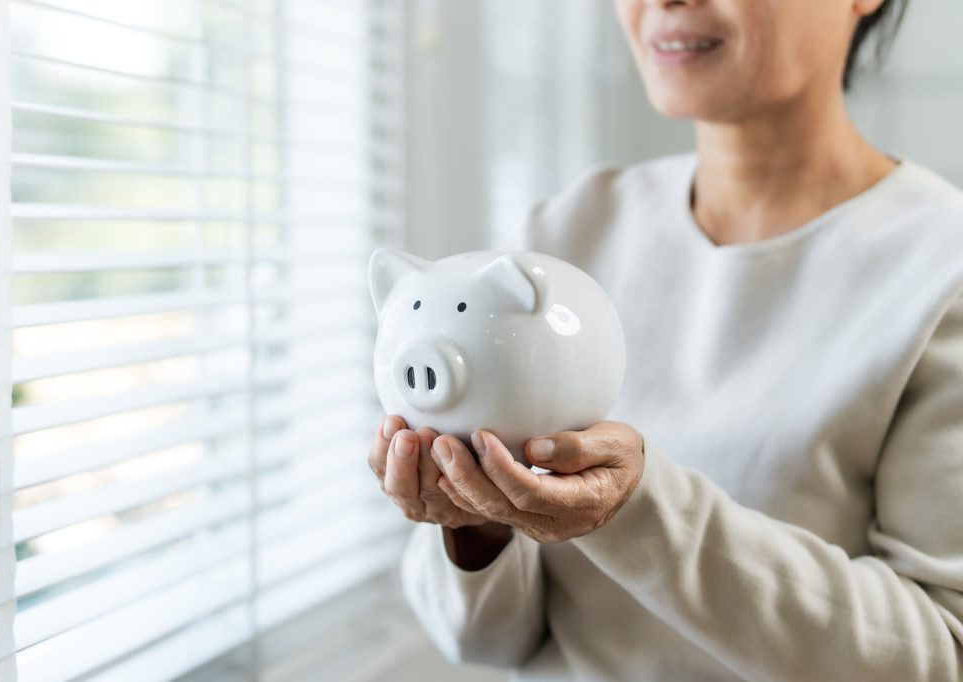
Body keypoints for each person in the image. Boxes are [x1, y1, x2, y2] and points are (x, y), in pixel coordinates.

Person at [367, 0, 963, 679]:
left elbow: (941, 654)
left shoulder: (942, 267)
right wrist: (475, 523)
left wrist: (637, 512)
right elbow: (483, 643)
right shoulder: (564, 236)